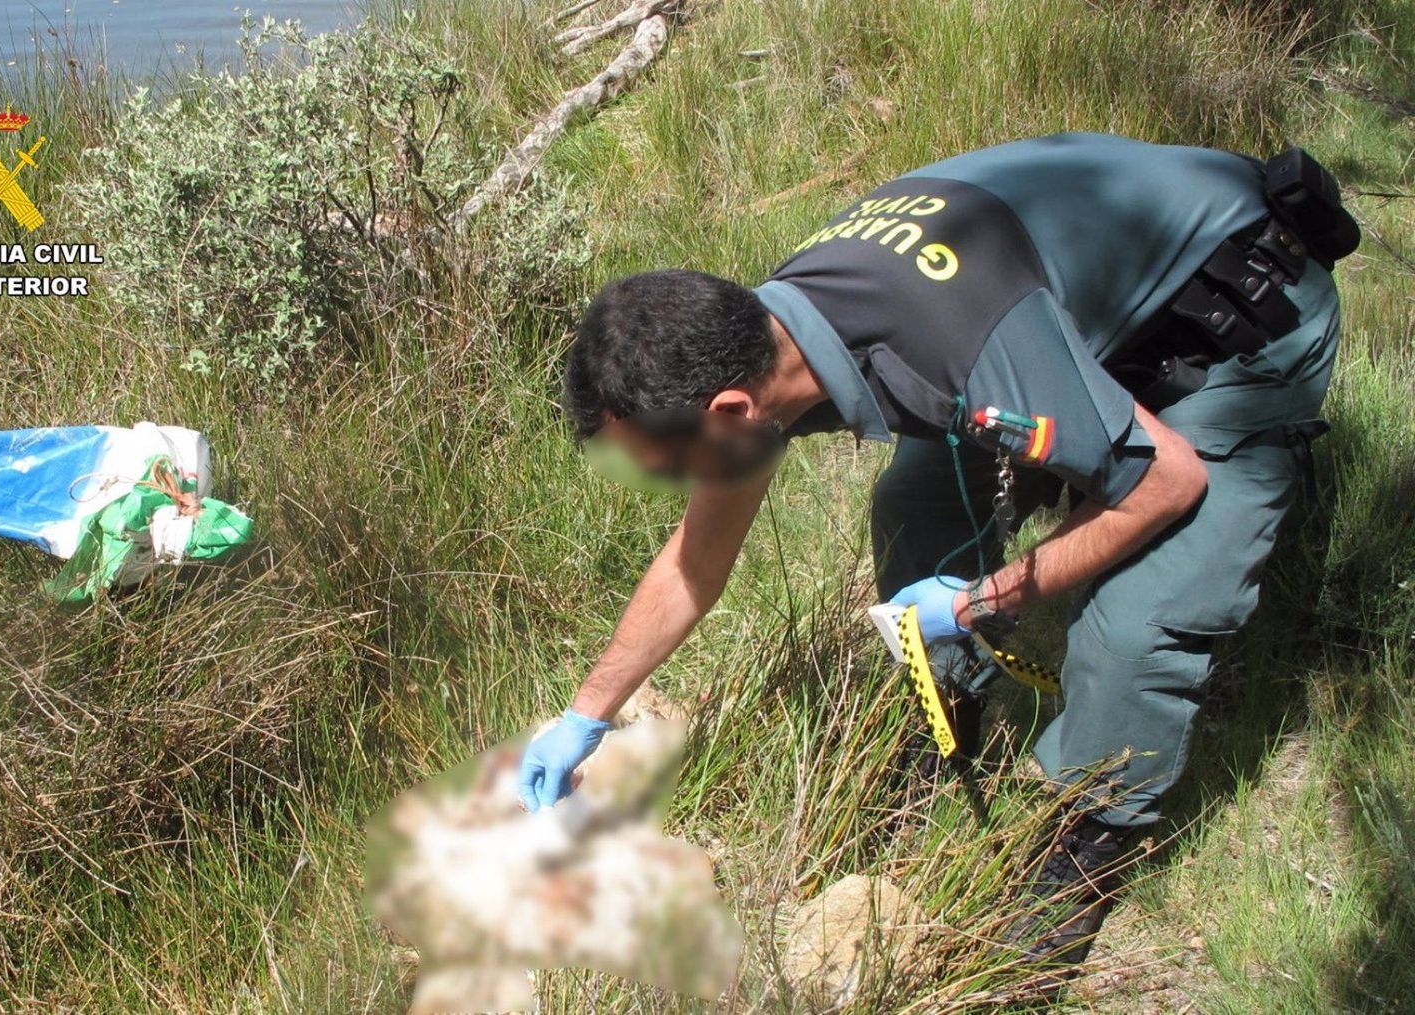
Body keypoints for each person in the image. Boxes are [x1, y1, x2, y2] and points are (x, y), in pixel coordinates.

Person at [515, 132, 1355, 970]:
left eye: (671, 468)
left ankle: (1078, 859)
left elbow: (1169, 480)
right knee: (914, 504)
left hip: (1236, 319)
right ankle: (946, 719)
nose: (676, 488)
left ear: (732, 411)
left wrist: (978, 603)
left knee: (1128, 633)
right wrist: (584, 716)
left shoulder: (948, 343)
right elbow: (695, 564)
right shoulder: (764, 333)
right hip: (1070, 321)